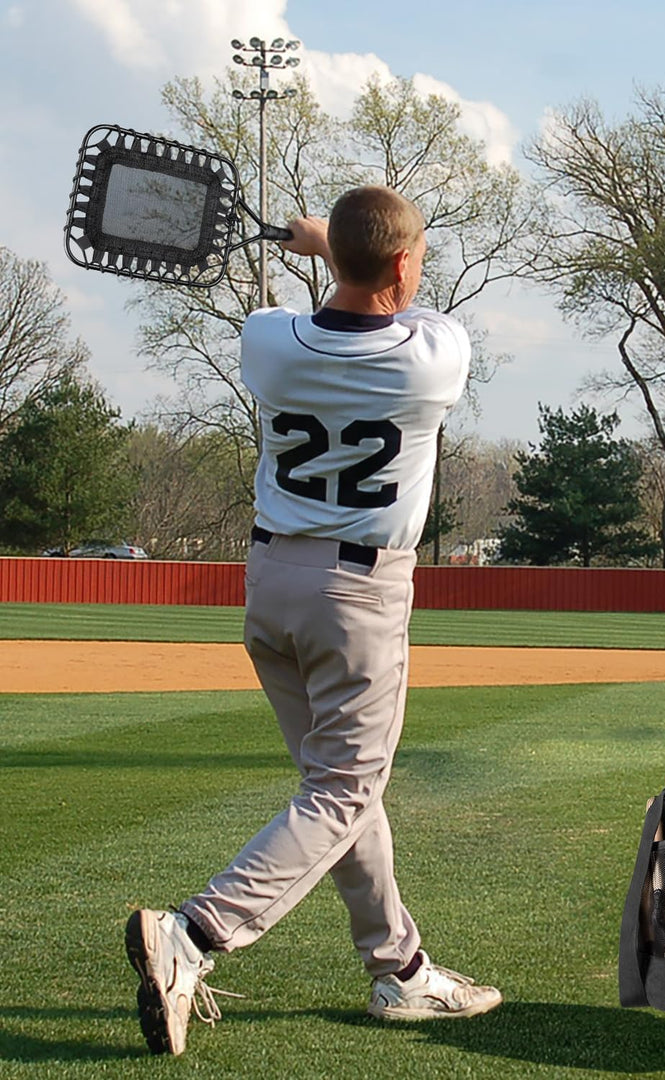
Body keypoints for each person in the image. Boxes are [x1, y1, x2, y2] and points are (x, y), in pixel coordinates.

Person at [124, 187, 502, 1057]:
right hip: (359, 598)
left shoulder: (268, 344)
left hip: (270, 585)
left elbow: (345, 294)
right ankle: (195, 934)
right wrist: (336, 247)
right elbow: (402, 298)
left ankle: (398, 970)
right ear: (404, 264)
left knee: (340, 793)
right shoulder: (434, 359)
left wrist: (328, 250)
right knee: (342, 792)